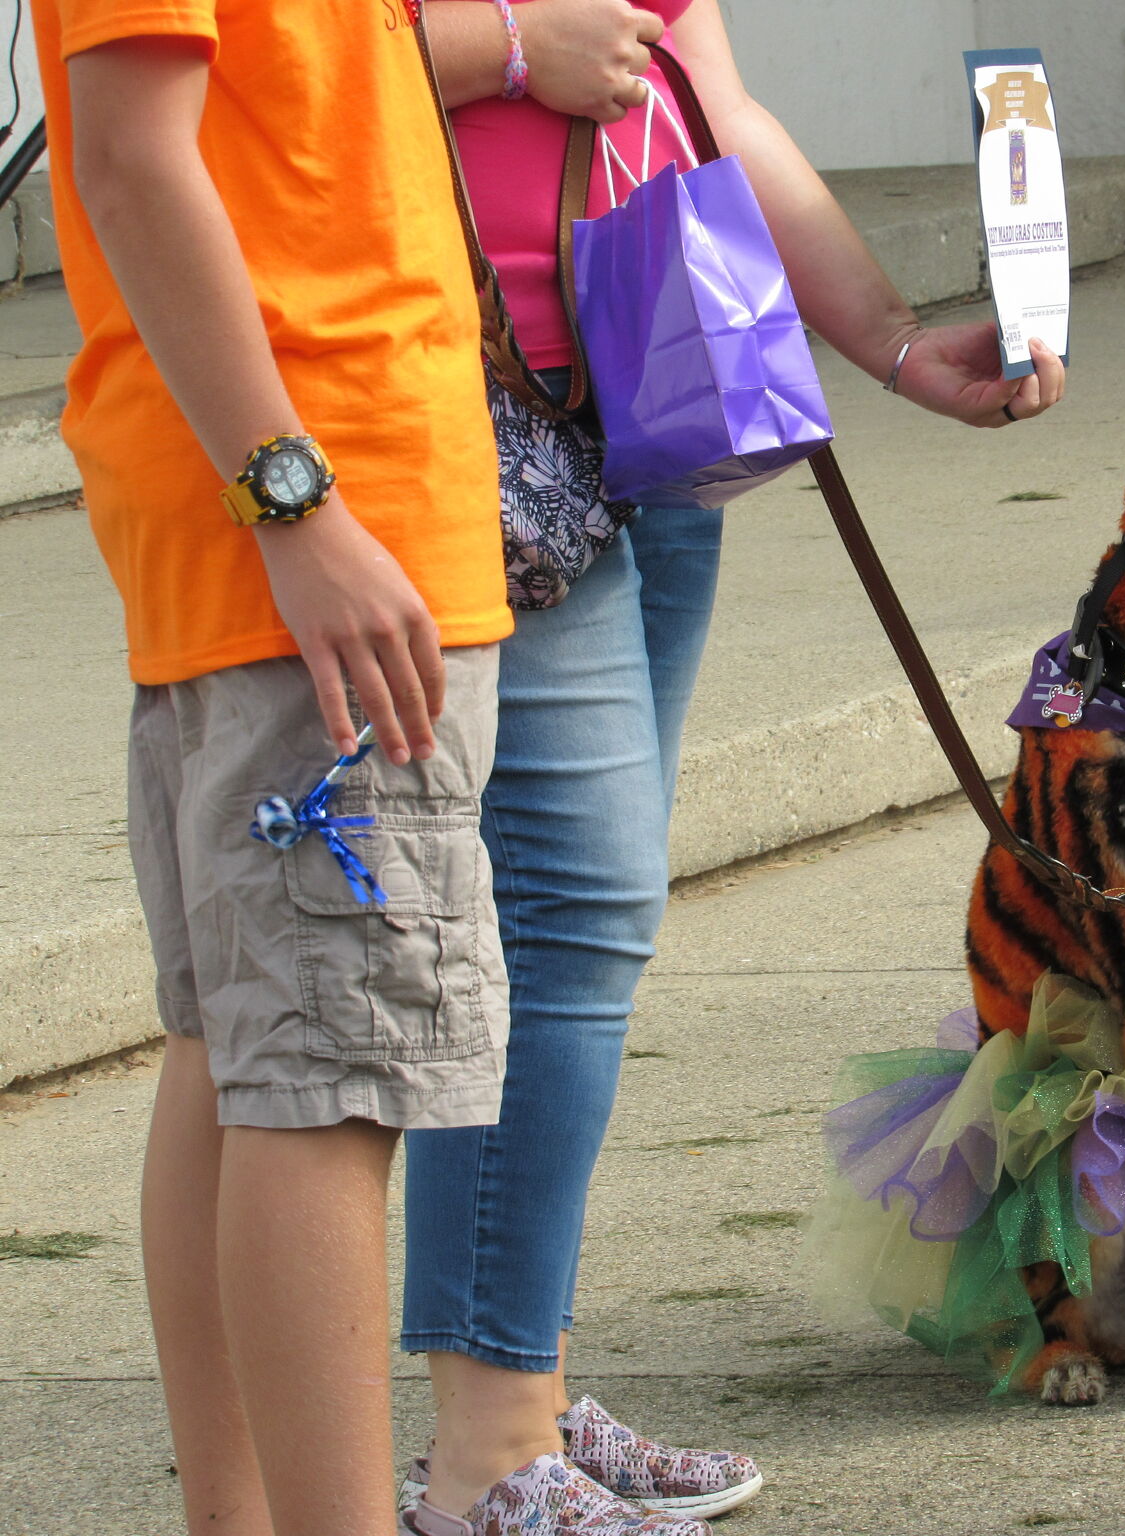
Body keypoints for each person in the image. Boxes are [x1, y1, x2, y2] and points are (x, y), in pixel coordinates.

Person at [399, 3, 1067, 1531]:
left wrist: (898, 346)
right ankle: (487, 1456)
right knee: (557, 925)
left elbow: (722, 111)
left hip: (650, 406)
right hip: (472, 427)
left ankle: (522, 1402)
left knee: (572, 939)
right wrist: (507, 51)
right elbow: (287, 70)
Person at [29, 2, 513, 1532]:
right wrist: (295, 504)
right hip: (312, 517)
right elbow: (130, 159)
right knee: (320, 1086)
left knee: (242, 1057)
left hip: (293, 522)